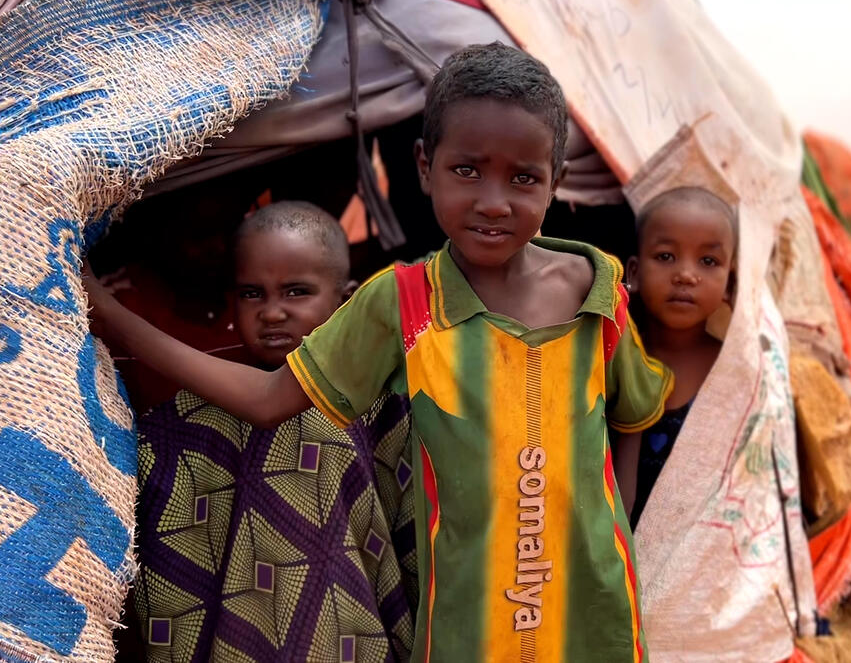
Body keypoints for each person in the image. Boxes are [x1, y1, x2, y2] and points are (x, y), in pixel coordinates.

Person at [86, 43, 671, 662]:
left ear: (556, 179)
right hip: (467, 625)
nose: (493, 201)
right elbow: (266, 399)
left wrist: (618, 529)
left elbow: (630, 414)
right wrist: (110, 316)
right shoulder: (402, 300)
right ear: (424, 167)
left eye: (523, 178)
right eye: (467, 170)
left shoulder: (598, 289)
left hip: (594, 611)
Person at [128, 201, 417, 661]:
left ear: (346, 299)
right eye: (252, 294)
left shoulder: (378, 398)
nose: (272, 312)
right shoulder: (183, 420)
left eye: (296, 291)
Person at [614, 187, 737, 530]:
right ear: (634, 273)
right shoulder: (615, 360)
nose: (686, 274)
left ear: (729, 285)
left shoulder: (735, 373)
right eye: (666, 256)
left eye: (708, 261)